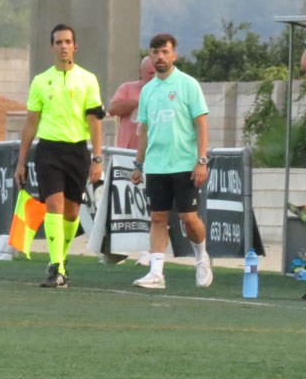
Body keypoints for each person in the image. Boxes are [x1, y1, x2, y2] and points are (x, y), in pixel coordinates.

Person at [13, 24, 105, 288]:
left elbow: (95, 121)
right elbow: (30, 123)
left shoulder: (88, 79)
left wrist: (97, 158)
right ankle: (56, 268)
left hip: (78, 151)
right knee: (54, 204)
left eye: (67, 41)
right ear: (52, 47)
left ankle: (61, 263)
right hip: (49, 150)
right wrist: (21, 162)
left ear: (75, 46)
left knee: (72, 212)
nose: (63, 46)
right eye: (58, 42)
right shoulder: (41, 81)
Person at [131, 33, 213, 290]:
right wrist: (138, 164)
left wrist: (201, 160)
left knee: (189, 218)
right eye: (156, 52)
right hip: (156, 166)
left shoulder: (188, 85)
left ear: (174, 55)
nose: (160, 57)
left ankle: (201, 257)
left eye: (165, 52)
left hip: (184, 164)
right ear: (150, 56)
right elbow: (143, 131)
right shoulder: (147, 91)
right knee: (157, 217)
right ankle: (157, 273)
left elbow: (201, 125)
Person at [106, 56, 156, 266]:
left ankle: (147, 251)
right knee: (120, 203)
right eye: (150, 73)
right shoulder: (128, 88)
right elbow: (113, 108)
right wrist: (138, 101)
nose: (153, 76)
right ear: (141, 72)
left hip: (152, 156)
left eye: (156, 72)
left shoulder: (164, 92)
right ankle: (114, 249)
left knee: (147, 204)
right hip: (126, 154)